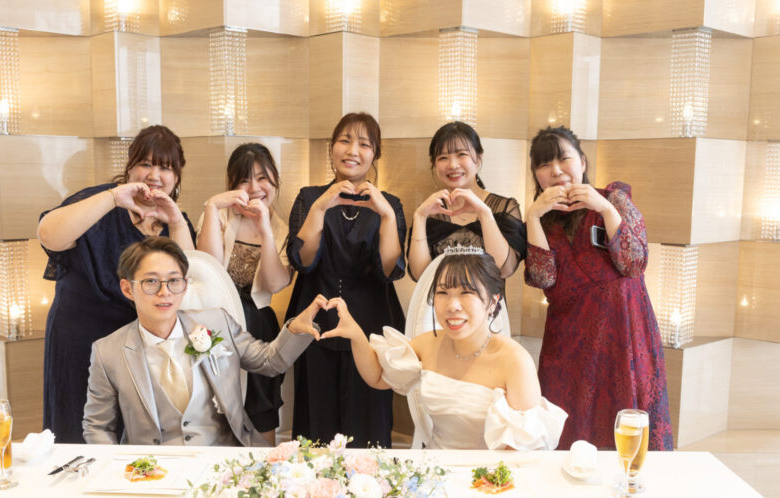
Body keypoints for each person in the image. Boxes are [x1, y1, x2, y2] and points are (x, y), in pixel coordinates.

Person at [37, 125, 196, 443]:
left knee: (135, 434)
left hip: (138, 347)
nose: (154, 175)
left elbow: (188, 285)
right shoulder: (99, 201)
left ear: (177, 177)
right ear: (130, 167)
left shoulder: (176, 220)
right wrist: (112, 198)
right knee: (79, 428)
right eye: (145, 164)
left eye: (165, 167)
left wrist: (176, 220)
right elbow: (48, 235)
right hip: (80, 335)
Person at [82, 237, 323, 446]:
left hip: (224, 459)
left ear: (185, 285)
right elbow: (97, 427)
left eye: (174, 280)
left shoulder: (217, 322)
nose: (165, 292)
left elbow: (270, 362)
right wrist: (118, 470)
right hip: (155, 469)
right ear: (127, 289)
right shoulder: (107, 351)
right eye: (151, 281)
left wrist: (295, 329)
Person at [322, 250, 566, 450]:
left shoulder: (514, 361)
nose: (452, 305)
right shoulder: (428, 344)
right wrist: (356, 335)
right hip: (436, 469)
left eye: (466, 293)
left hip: (491, 478)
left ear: (493, 301)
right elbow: (377, 377)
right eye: (443, 293)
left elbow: (522, 449)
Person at [524, 125, 673, 451]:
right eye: (544, 164)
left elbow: (634, 263)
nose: (556, 171)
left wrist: (604, 208)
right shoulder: (543, 220)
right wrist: (532, 217)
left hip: (624, 336)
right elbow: (543, 278)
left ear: (582, 161)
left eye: (564, 159)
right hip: (569, 341)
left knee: (625, 426)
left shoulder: (614, 199)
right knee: (568, 428)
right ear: (536, 175)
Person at [285, 112, 407, 448]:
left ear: (375, 154)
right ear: (331, 148)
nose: (353, 150)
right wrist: (320, 207)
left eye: (364, 144)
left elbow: (391, 269)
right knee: (315, 424)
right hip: (316, 325)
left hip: (371, 329)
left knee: (369, 424)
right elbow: (303, 261)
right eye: (344, 141)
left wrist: (385, 215)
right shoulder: (309, 197)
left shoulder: (390, 204)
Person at [196, 143, 292, 444]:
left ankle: (265, 463)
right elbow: (208, 267)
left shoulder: (282, 228)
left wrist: (265, 230)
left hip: (258, 325)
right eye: (244, 180)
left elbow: (275, 284)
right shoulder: (219, 214)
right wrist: (212, 207)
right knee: (211, 403)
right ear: (231, 185)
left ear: (275, 180)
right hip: (215, 321)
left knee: (261, 405)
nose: (254, 188)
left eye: (262, 178)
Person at [407, 122, 526, 283]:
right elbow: (420, 275)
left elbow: (504, 269)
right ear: (434, 164)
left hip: (489, 300)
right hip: (439, 300)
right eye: (443, 158)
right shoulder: (428, 212)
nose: (452, 165)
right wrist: (420, 216)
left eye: (462, 154)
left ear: (479, 157)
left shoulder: (505, 208)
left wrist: (484, 214)